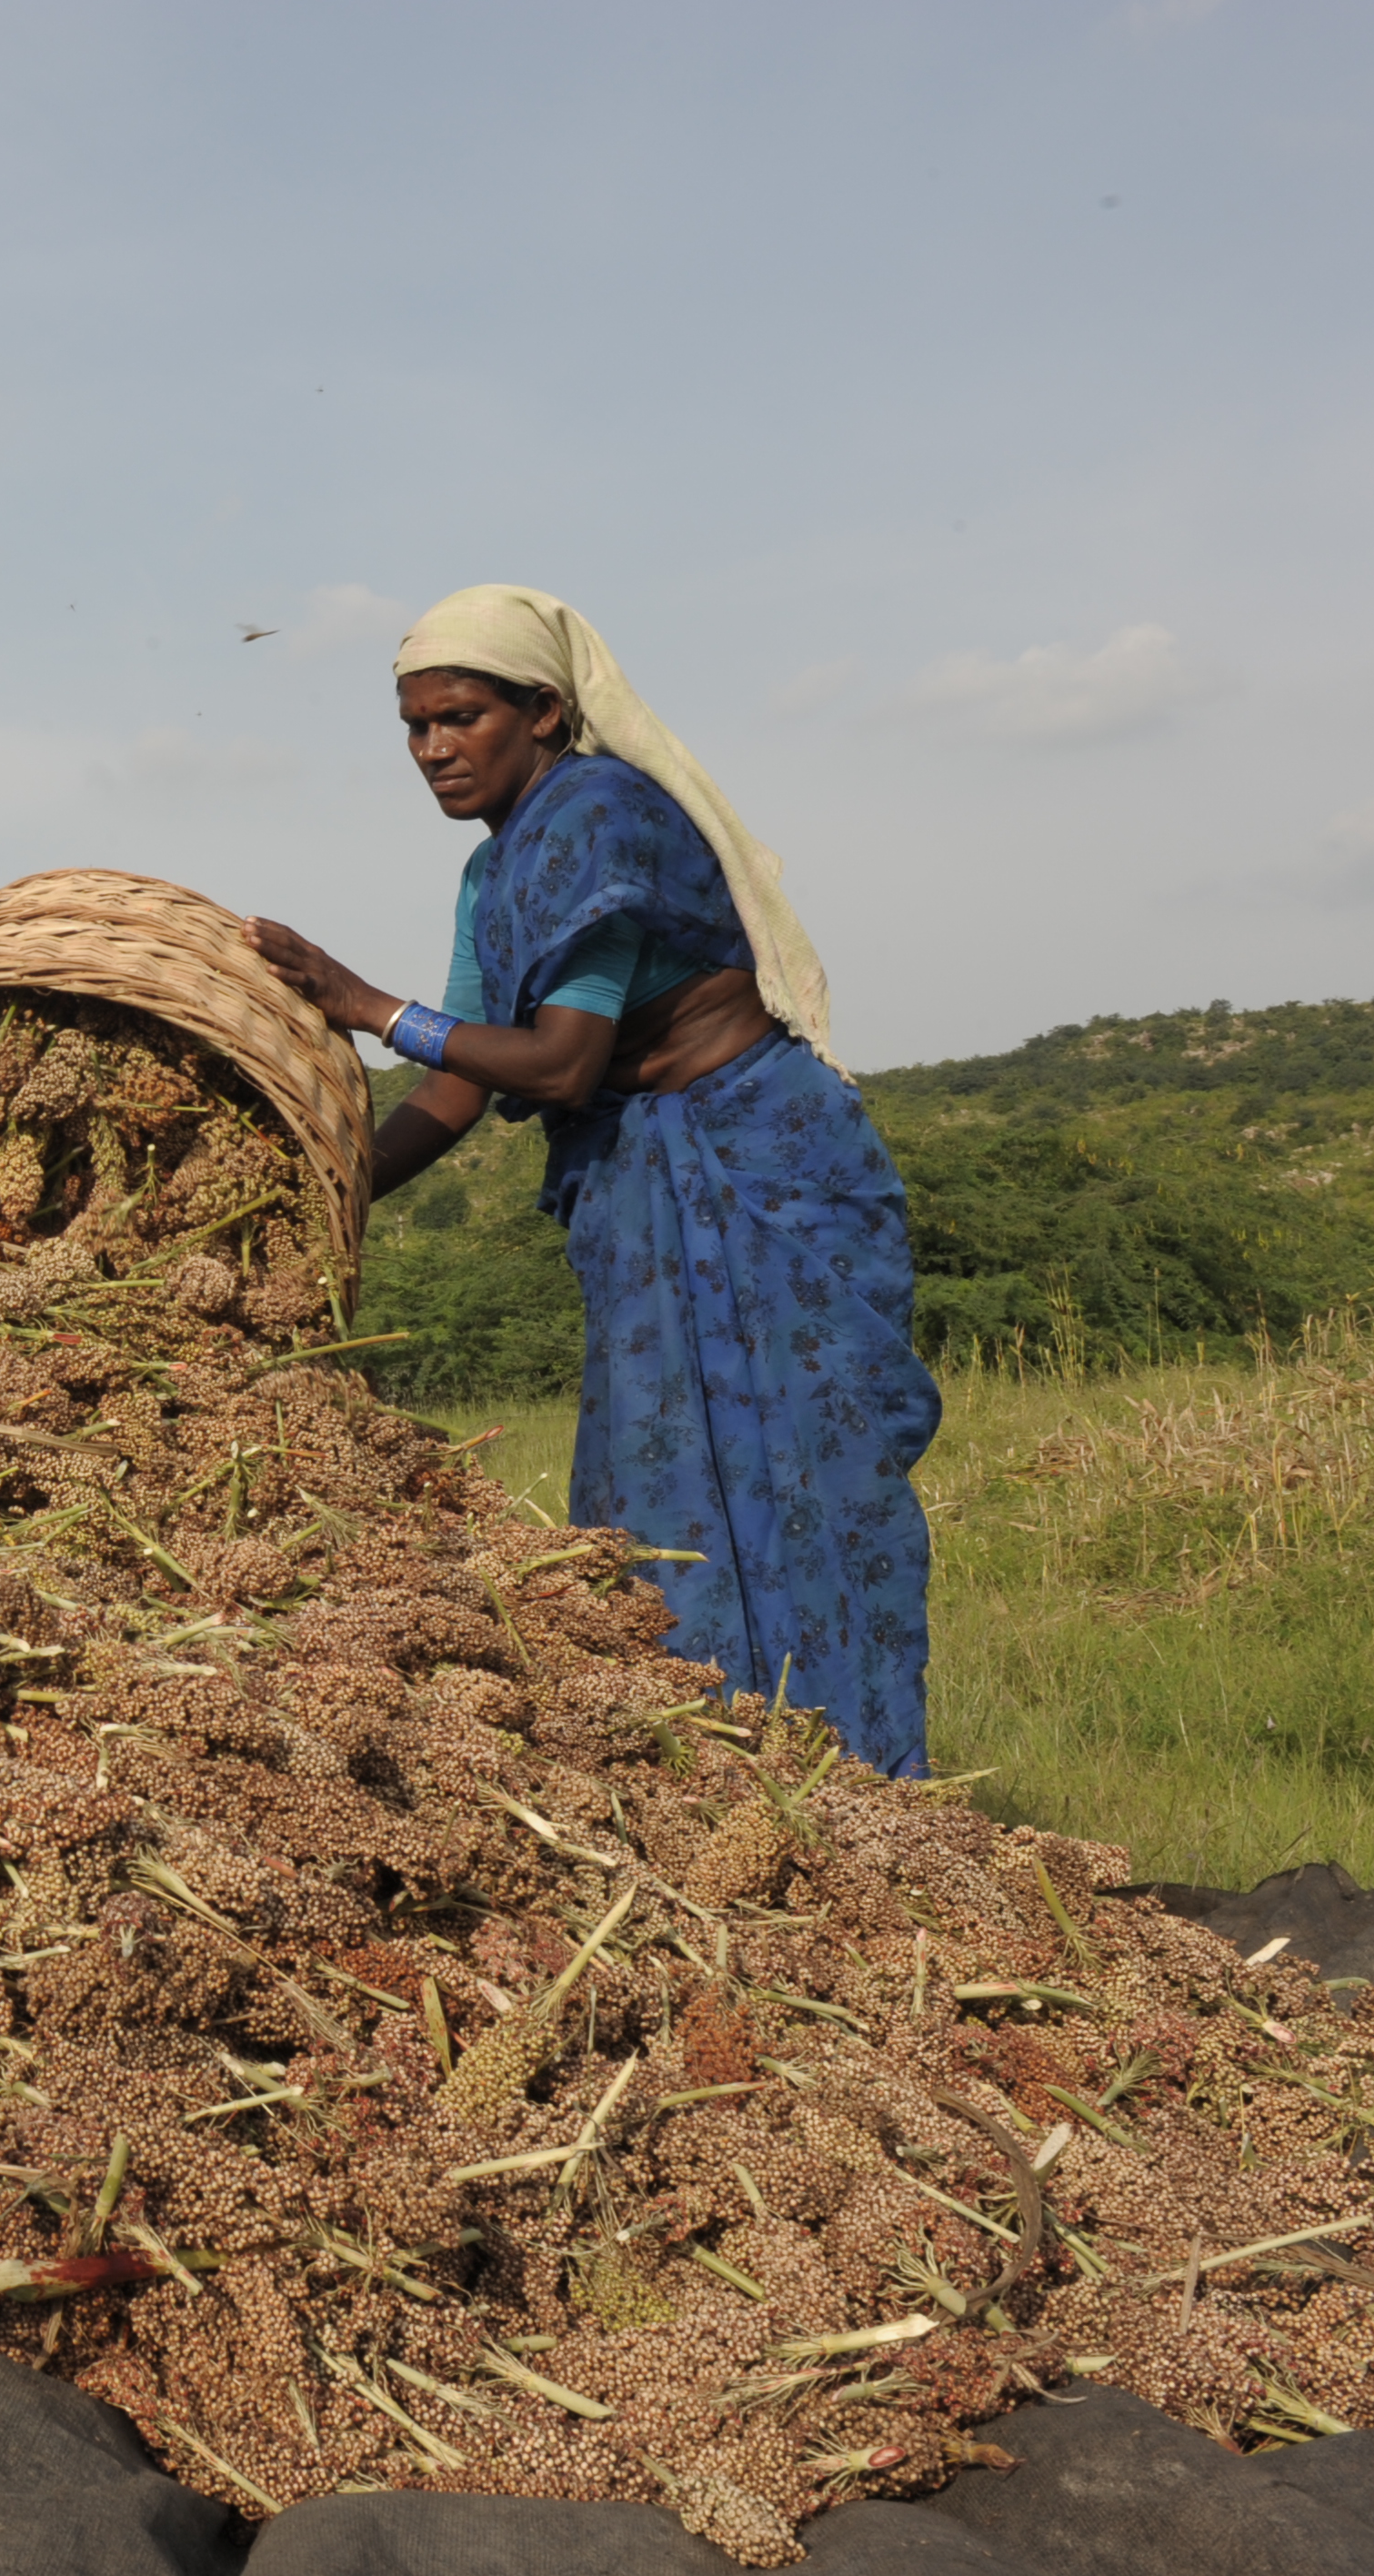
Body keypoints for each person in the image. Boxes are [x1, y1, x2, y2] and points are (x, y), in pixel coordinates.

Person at [246, 586, 940, 1775]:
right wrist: (318, 1189)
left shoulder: (600, 818)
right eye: (414, 728)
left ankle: (864, 1793)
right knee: (652, 1500)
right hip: (643, 1183)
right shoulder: (494, 876)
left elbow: (559, 1064)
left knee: (809, 1483)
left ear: (548, 712)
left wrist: (369, 1008)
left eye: (460, 718)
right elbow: (458, 1089)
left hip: (754, 1162)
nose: (433, 750)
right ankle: (721, 1785)